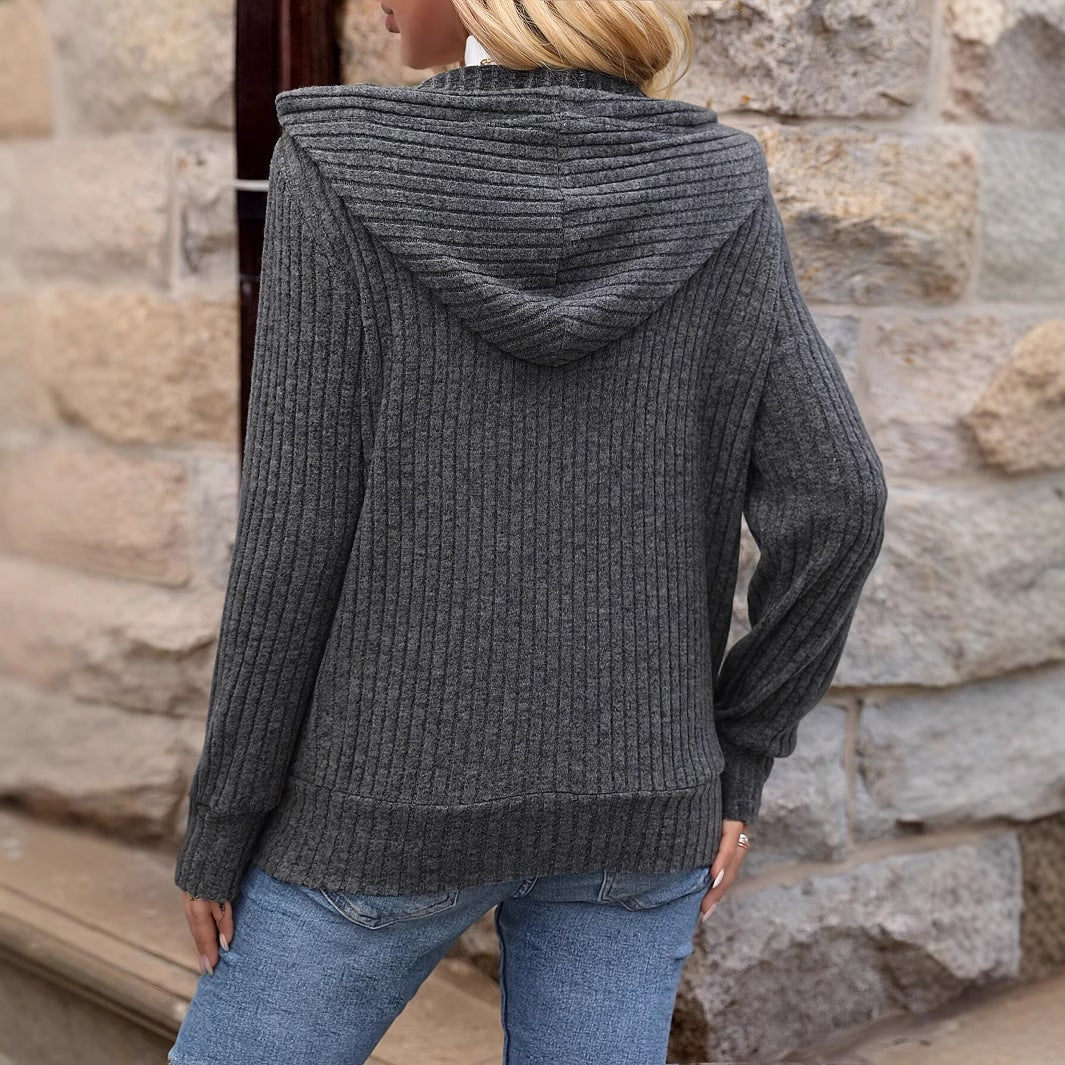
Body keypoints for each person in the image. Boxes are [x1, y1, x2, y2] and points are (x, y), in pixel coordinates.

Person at [168, 1, 888, 1063]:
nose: (375, 5)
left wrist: (224, 820)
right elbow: (840, 501)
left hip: (381, 806)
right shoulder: (720, 182)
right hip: (641, 813)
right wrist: (737, 753)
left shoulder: (336, 167)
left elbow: (291, 533)